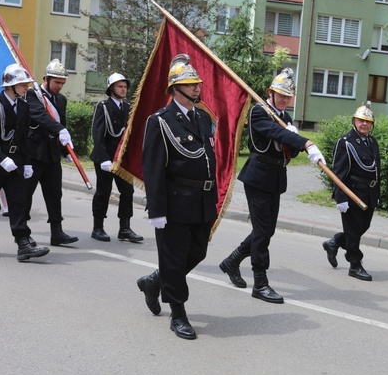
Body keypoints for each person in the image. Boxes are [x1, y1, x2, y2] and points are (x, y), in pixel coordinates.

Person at [219, 70, 325, 303]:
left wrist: (295, 139)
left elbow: (289, 151)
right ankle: (260, 283)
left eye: (288, 96)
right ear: (270, 93)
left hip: (276, 178)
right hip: (258, 177)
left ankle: (232, 261)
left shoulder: (285, 118)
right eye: (280, 95)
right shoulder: (259, 112)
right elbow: (272, 132)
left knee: (267, 230)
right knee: (262, 231)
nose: (285, 100)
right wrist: (304, 140)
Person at [136, 54, 218, 340]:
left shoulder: (203, 118)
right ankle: (178, 314)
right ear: (175, 89)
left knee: (198, 252)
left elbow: (209, 159)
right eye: (190, 84)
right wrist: (156, 210)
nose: (196, 88)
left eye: (197, 84)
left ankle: (155, 281)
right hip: (175, 200)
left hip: (202, 201)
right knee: (174, 257)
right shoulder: (160, 121)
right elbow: (153, 167)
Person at [322, 101, 381, 281]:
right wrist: (341, 198)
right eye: (360, 120)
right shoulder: (346, 142)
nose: (364, 124)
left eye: (368, 121)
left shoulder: (372, 142)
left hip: (368, 193)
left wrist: (376, 195)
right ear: (354, 121)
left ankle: (335, 243)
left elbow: (377, 171)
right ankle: (355, 264)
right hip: (352, 192)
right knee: (354, 230)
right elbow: (338, 173)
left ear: (372, 124)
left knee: (363, 227)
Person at [25, 59, 78, 246]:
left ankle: (57, 232)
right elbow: (40, 116)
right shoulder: (32, 95)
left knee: (55, 194)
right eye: (57, 82)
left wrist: (67, 151)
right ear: (46, 79)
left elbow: (61, 126)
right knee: (26, 195)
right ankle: (24, 234)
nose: (60, 87)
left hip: (52, 154)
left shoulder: (60, 100)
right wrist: (60, 130)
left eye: (62, 83)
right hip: (34, 153)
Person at [0, 64, 50, 261]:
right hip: (1, 160)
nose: (26, 88)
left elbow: (23, 137)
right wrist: (2, 160)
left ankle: (23, 243)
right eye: (22, 85)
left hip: (17, 160)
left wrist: (27, 163)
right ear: (10, 86)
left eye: (26, 84)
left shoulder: (24, 106)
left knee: (19, 203)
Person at [90, 73, 143, 243]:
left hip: (121, 159)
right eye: (120, 86)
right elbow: (97, 134)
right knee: (103, 192)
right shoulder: (103, 106)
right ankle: (98, 227)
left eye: (125, 87)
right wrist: (104, 158)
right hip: (105, 158)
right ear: (111, 88)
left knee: (128, 192)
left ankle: (125, 228)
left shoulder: (128, 107)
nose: (123, 89)